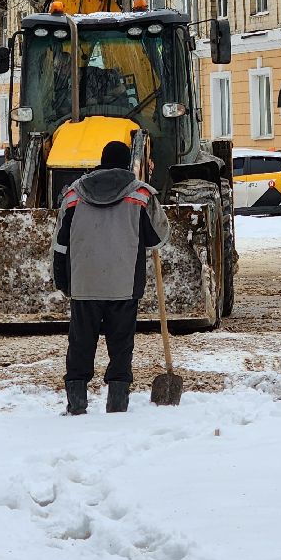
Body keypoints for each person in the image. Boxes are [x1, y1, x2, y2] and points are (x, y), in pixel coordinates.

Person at [52, 140, 169, 415]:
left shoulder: (72, 195)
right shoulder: (141, 195)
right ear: (127, 163)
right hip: (124, 284)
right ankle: (117, 404)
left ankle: (77, 403)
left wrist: (62, 278)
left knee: (80, 343)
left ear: (101, 162)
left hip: (84, 284)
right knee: (120, 345)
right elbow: (158, 237)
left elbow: (60, 243)